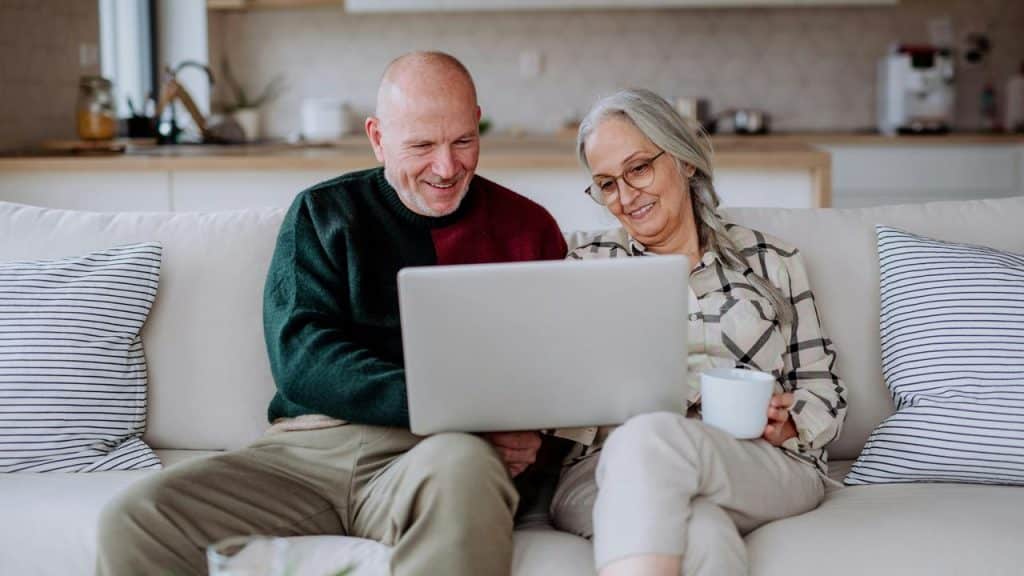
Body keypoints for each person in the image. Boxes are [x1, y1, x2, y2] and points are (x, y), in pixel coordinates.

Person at [96, 51, 567, 576]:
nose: (447, 166)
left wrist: (532, 438)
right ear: (377, 137)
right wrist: (452, 404)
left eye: (463, 140)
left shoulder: (529, 228)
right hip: (308, 453)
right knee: (134, 518)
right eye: (421, 145)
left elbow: (554, 375)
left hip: (442, 455)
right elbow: (304, 358)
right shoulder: (322, 214)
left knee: (465, 468)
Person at [547, 89, 847, 576]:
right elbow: (553, 407)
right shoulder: (582, 269)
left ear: (684, 160)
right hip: (601, 470)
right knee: (700, 528)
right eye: (606, 184)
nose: (624, 197)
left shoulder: (773, 262)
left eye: (638, 168)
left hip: (755, 464)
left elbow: (824, 389)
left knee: (652, 440)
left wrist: (788, 423)